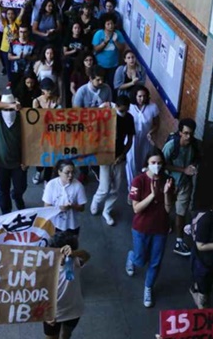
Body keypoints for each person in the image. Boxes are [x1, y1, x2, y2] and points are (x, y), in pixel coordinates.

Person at [125, 148, 175, 308]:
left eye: (160, 163)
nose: (157, 166)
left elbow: (168, 209)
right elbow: (136, 208)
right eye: (153, 163)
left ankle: (148, 287)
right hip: (141, 228)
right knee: (141, 259)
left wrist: (166, 193)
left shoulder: (168, 180)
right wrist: (152, 195)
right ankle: (131, 256)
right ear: (147, 163)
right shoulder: (138, 181)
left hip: (160, 228)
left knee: (155, 261)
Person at [89, 95, 134, 226]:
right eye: (121, 110)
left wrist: (123, 155)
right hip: (105, 155)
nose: (123, 113)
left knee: (116, 187)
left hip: (119, 157)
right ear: (116, 107)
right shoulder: (107, 117)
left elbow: (130, 140)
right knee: (104, 186)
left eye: (126, 110)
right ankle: (96, 202)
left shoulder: (129, 119)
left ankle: (107, 211)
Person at [44, 231, 90, 339]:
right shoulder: (44, 266)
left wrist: (74, 253)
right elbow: (35, 293)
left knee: (66, 335)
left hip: (73, 311)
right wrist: (43, 313)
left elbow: (86, 255)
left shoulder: (74, 262)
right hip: (52, 314)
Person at [162, 117, 200, 257]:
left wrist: (193, 167)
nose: (189, 136)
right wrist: (183, 170)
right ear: (180, 133)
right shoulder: (171, 146)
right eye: (186, 133)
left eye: (191, 133)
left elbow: (197, 158)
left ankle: (179, 241)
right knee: (166, 208)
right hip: (170, 183)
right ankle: (162, 227)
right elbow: (163, 164)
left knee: (181, 213)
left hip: (185, 184)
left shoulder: (194, 145)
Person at [0, 94, 28, 214]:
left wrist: (27, 160)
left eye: (11, 110)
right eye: (5, 109)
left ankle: (17, 196)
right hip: (0, 162)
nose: (8, 112)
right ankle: (6, 214)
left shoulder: (22, 119)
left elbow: (30, 140)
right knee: (3, 190)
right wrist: (10, 105)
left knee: (21, 187)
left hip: (18, 163)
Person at [126, 87, 160, 198]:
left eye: (144, 96)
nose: (142, 98)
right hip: (132, 137)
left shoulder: (153, 107)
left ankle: (143, 188)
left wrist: (151, 132)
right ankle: (131, 190)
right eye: (139, 96)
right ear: (135, 96)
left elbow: (156, 124)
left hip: (146, 138)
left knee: (144, 162)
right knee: (131, 163)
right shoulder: (129, 107)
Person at [42, 159, 87, 236]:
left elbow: (82, 208)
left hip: (72, 225)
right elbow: (46, 207)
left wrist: (72, 206)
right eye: (67, 173)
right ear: (59, 172)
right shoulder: (51, 185)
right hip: (54, 225)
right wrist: (60, 208)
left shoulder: (79, 186)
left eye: (72, 172)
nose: (70, 175)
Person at [32, 77, 63, 185]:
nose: (49, 92)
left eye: (51, 90)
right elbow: (35, 118)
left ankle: (47, 178)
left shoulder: (56, 99)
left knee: (50, 155)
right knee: (41, 154)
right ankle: (38, 171)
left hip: (53, 132)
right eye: (47, 90)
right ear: (42, 90)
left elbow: (61, 115)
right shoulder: (36, 101)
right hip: (41, 132)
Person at [8, 25, 37, 89]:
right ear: (18, 32)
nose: (22, 34)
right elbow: (9, 57)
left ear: (28, 32)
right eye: (21, 32)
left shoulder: (33, 43)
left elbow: (36, 57)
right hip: (15, 70)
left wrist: (27, 57)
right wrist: (18, 57)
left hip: (28, 71)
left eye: (25, 32)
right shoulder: (13, 43)